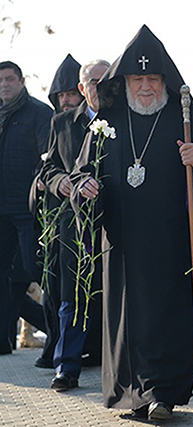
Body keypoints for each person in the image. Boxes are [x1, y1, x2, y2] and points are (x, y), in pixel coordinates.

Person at [72, 25, 193, 420]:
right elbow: (80, 171)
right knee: (129, 316)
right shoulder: (108, 118)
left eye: (153, 78)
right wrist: (85, 187)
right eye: (138, 79)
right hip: (121, 238)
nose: (146, 87)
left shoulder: (183, 115)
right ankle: (133, 394)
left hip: (172, 238)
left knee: (166, 315)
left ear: (164, 80)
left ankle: (162, 393)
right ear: (124, 82)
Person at [41, 59, 110, 391]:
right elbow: (48, 169)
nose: (100, 87)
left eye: (106, 80)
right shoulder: (63, 122)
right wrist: (61, 183)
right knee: (73, 295)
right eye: (93, 82)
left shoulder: (127, 118)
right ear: (82, 89)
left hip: (119, 223)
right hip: (76, 224)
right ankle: (66, 367)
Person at [33, 53, 87, 370]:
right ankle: (62, 359)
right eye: (61, 95)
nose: (66, 100)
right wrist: (52, 184)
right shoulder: (59, 124)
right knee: (62, 290)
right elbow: (48, 168)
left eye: (71, 94)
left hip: (98, 220)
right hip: (63, 223)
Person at [0, 61, 53, 356]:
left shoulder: (39, 113)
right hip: (1, 211)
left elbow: (48, 158)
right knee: (5, 278)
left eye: (9, 79)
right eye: (0, 81)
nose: (4, 85)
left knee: (37, 272)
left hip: (29, 209)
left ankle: (60, 336)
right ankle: (2, 341)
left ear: (21, 81)